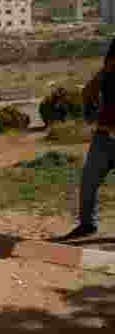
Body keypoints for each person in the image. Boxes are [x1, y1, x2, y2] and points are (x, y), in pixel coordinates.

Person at [53, 39, 115, 241]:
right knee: (88, 181)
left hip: (105, 135)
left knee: (88, 181)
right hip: (104, 136)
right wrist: (92, 109)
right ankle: (87, 224)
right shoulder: (106, 74)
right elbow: (88, 90)